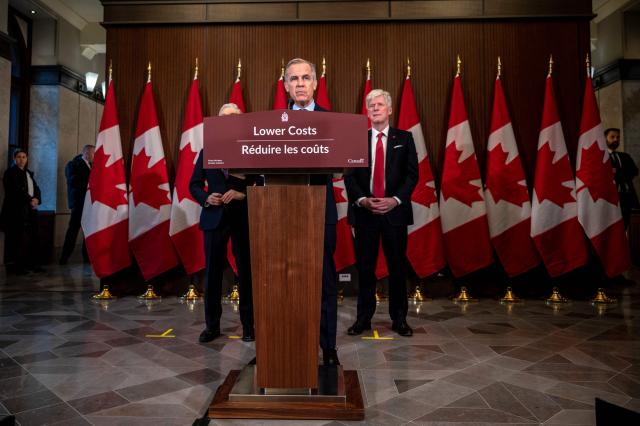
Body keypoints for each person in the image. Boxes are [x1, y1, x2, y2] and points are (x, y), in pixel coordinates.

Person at [344, 89, 418, 337]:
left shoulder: (404, 138)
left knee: (397, 268)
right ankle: (363, 319)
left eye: (379, 105)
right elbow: (350, 177)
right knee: (365, 269)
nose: (375, 108)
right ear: (367, 111)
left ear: (389, 109)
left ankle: (400, 320)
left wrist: (395, 200)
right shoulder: (356, 139)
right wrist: (364, 200)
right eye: (371, 105)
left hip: (394, 213)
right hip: (365, 214)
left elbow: (412, 176)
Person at [283, 58, 339, 366]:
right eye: (294, 78)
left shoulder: (332, 121)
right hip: (280, 213)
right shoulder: (270, 123)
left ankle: (328, 347)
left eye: (306, 77)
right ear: (286, 85)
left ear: (316, 83)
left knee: (325, 282)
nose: (301, 83)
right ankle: (284, 343)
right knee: (283, 281)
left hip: (320, 211)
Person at [189, 103, 255, 343]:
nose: (228, 121)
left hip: (243, 216)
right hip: (214, 217)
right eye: (224, 118)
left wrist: (243, 195)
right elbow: (194, 184)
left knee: (247, 273)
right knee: (213, 274)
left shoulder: (251, 149)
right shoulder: (208, 151)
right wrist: (206, 197)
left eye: (233, 118)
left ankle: (249, 327)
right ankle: (212, 327)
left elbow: (262, 183)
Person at [1, 149, 43, 274]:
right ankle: (14, 267)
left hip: (30, 210)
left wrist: (37, 200)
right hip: (15, 211)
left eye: (24, 157)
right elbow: (15, 191)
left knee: (33, 237)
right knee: (15, 239)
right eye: (19, 157)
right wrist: (31, 200)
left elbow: (36, 189)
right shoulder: (10, 173)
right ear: (14, 159)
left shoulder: (28, 173)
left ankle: (32, 265)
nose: (21, 159)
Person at [59, 144, 94, 264]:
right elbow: (72, 182)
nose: (95, 156)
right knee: (73, 231)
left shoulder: (92, 165)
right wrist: (90, 183)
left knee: (88, 232)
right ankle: (64, 257)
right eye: (94, 154)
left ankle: (87, 258)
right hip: (79, 203)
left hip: (90, 204)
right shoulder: (73, 164)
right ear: (87, 153)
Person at [606, 128, 639, 229]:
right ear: (604, 138)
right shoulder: (602, 157)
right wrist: (622, 173)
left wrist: (616, 172)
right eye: (612, 137)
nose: (616, 139)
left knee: (627, 226)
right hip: (610, 199)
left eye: (618, 137)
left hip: (627, 197)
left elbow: (635, 171)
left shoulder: (625, 156)